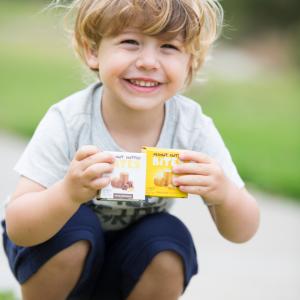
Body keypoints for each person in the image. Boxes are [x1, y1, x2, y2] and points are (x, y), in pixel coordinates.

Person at [2, 0, 260, 299]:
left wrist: (224, 194)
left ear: (191, 62)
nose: (149, 61)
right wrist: (68, 193)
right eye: (130, 42)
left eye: (169, 47)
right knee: (76, 225)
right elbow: (19, 227)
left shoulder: (191, 126)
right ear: (93, 51)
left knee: (166, 237)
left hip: (131, 256)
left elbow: (243, 232)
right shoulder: (70, 120)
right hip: (56, 247)